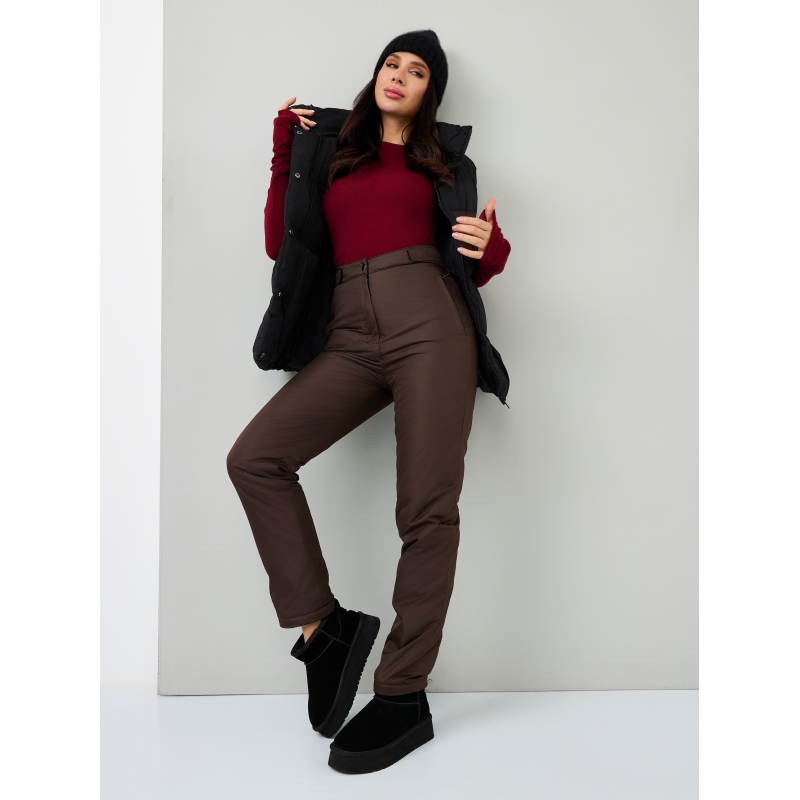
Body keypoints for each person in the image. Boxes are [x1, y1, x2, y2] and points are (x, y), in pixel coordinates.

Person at [226, 29, 511, 774]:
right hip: (349, 331)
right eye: (392, 64)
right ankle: (324, 630)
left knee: (426, 510)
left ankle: (403, 693)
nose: (400, 76)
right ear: (376, 75)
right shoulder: (333, 152)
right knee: (255, 459)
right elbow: (282, 244)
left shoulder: (445, 164)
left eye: (417, 72)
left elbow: (477, 259)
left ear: (429, 94)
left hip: (431, 322)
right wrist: (284, 153)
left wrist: (490, 246)